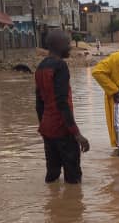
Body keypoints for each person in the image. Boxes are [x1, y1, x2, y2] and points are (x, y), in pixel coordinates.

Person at [35, 29, 90, 184]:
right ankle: (72, 200)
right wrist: (77, 134)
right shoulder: (60, 66)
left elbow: (39, 102)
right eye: (67, 43)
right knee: (73, 178)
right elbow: (62, 103)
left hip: (47, 129)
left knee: (52, 174)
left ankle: (53, 199)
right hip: (62, 129)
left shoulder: (40, 67)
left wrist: (43, 125)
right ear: (58, 45)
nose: (70, 47)